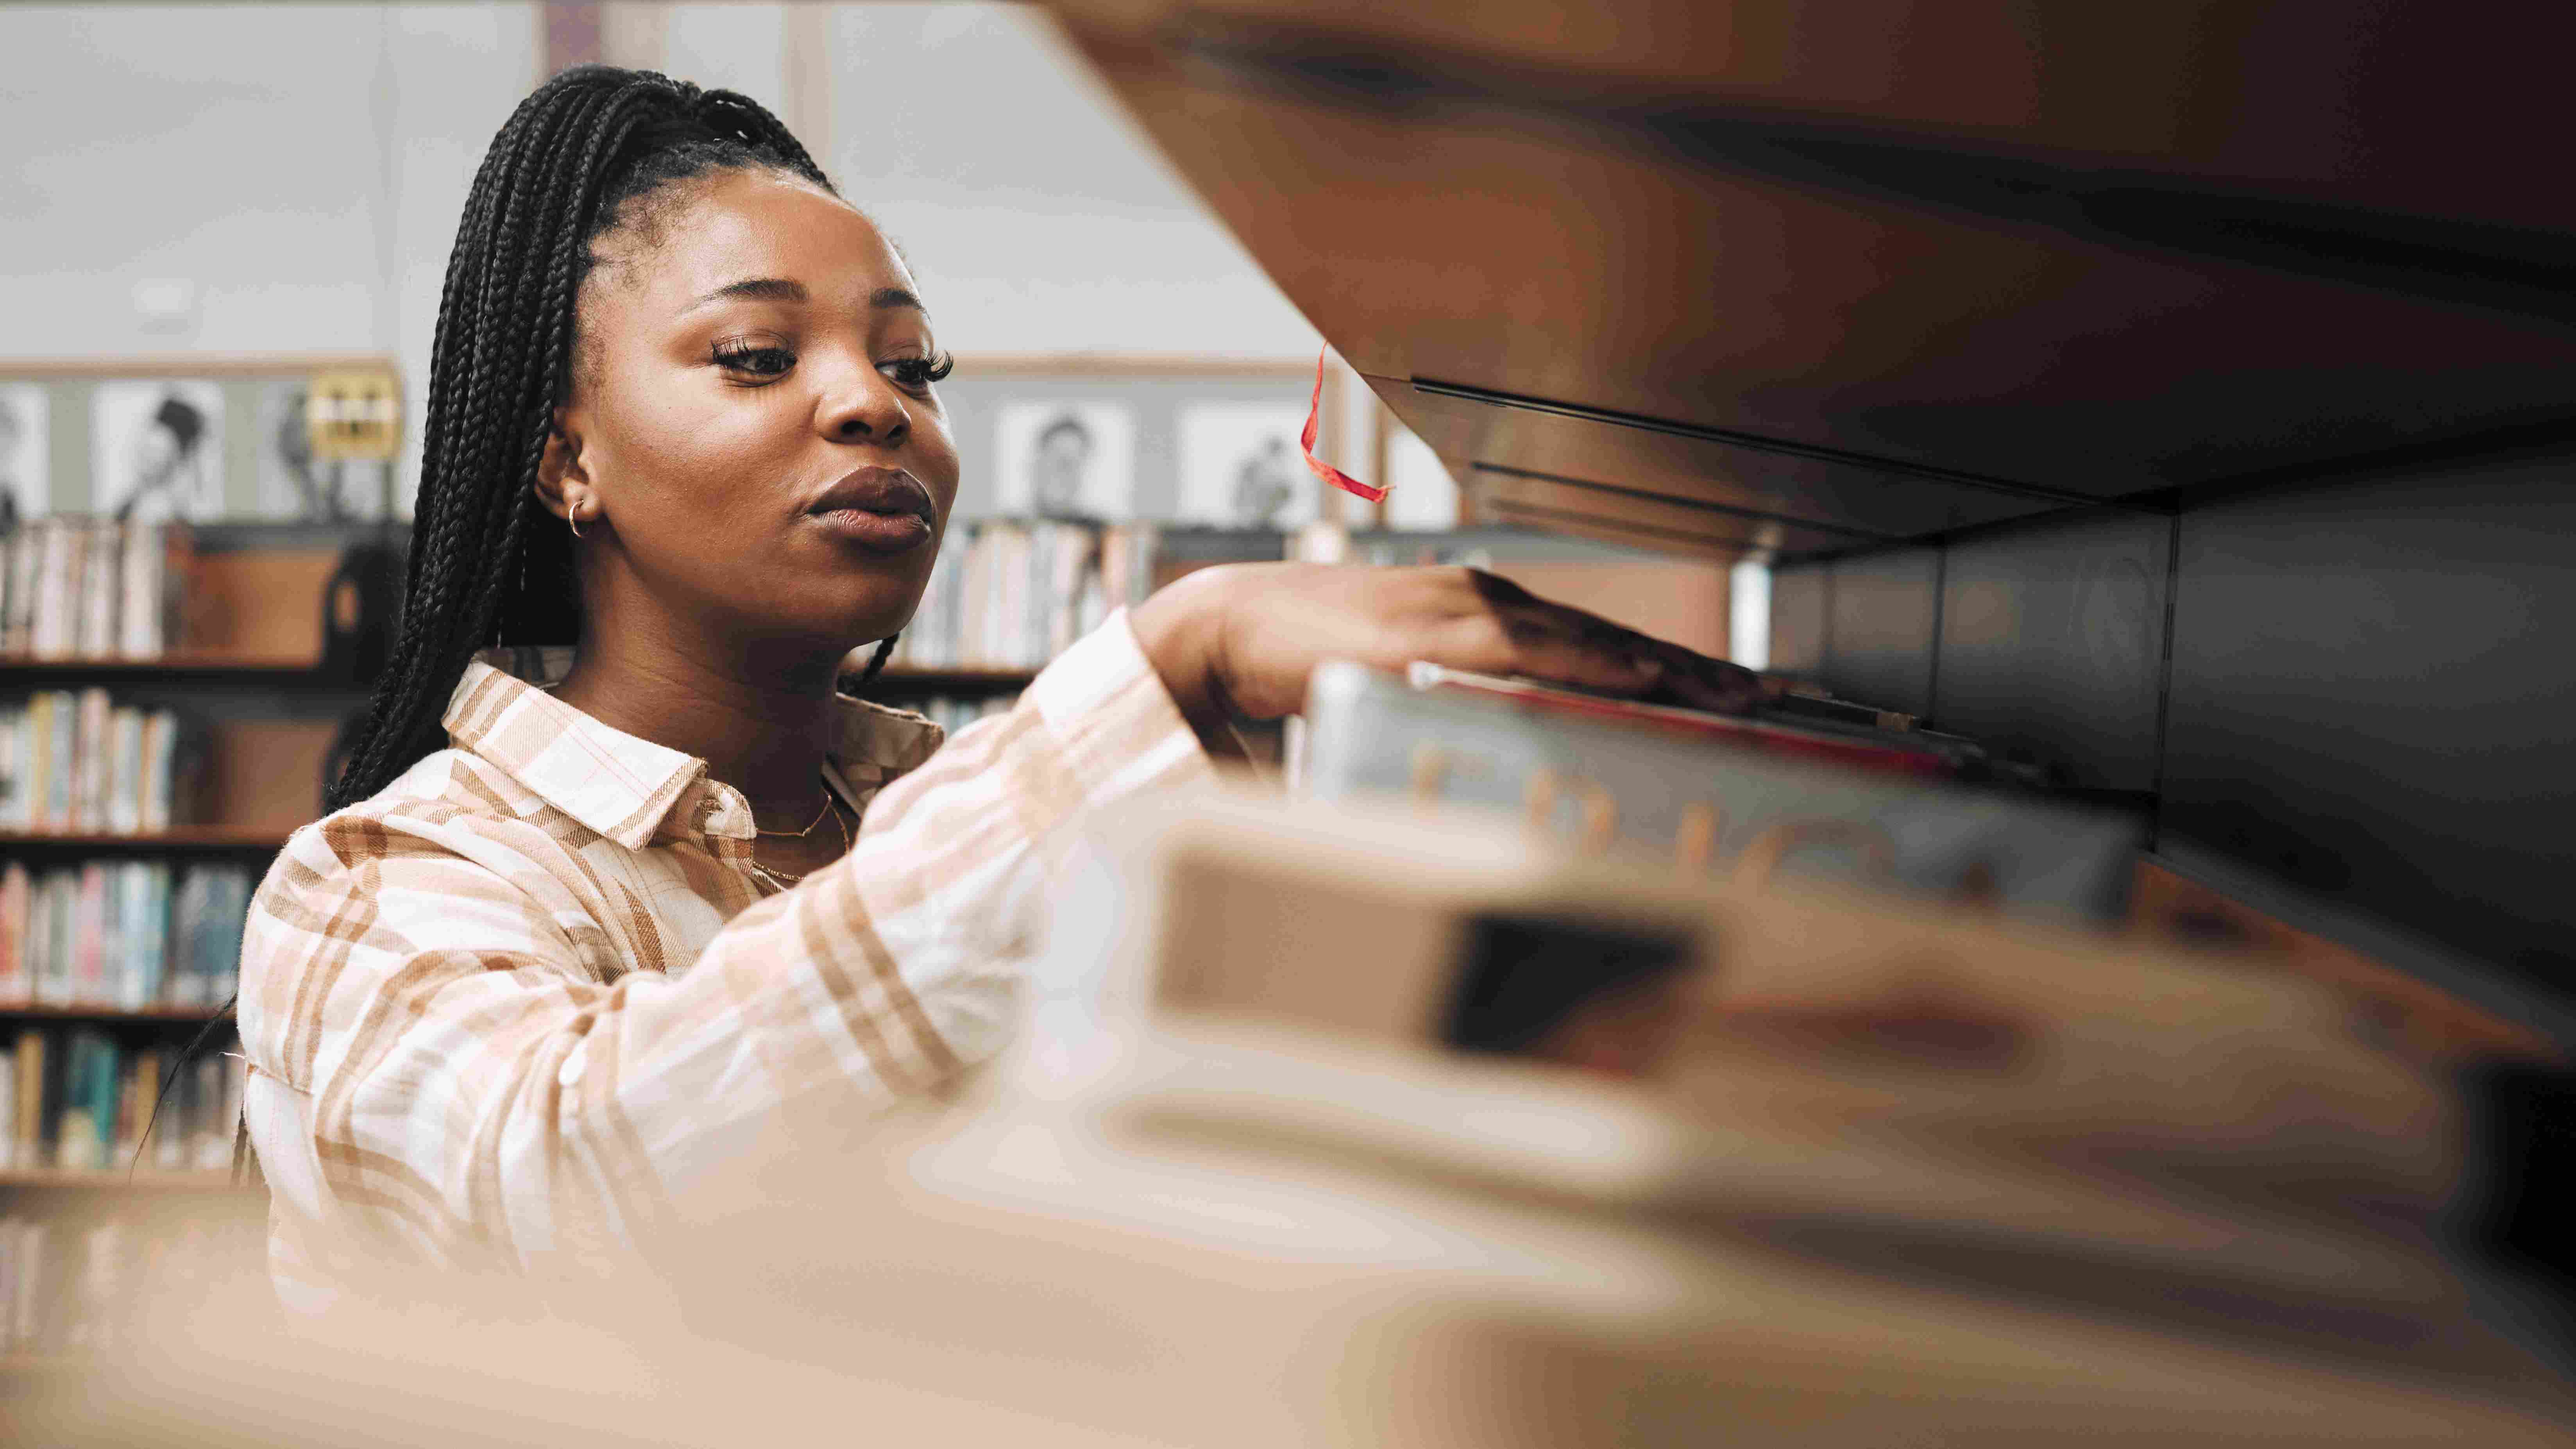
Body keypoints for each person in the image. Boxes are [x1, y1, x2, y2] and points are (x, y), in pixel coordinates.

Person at [233, 65, 1759, 1301]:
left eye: (914, 367)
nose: (872, 404)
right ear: (568, 458)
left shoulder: (964, 815)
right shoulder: (380, 881)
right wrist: (1174, 656)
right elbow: (569, 1193)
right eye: (756, 354)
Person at [112, 392, 211, 522]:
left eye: (156, 452)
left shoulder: (161, 507)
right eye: (145, 448)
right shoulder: (134, 501)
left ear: (176, 460)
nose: (144, 458)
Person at [1027, 411, 1093, 519]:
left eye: (1074, 462)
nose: (1064, 469)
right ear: (1037, 464)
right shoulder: (1004, 524)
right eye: (1057, 456)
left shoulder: (1103, 528)